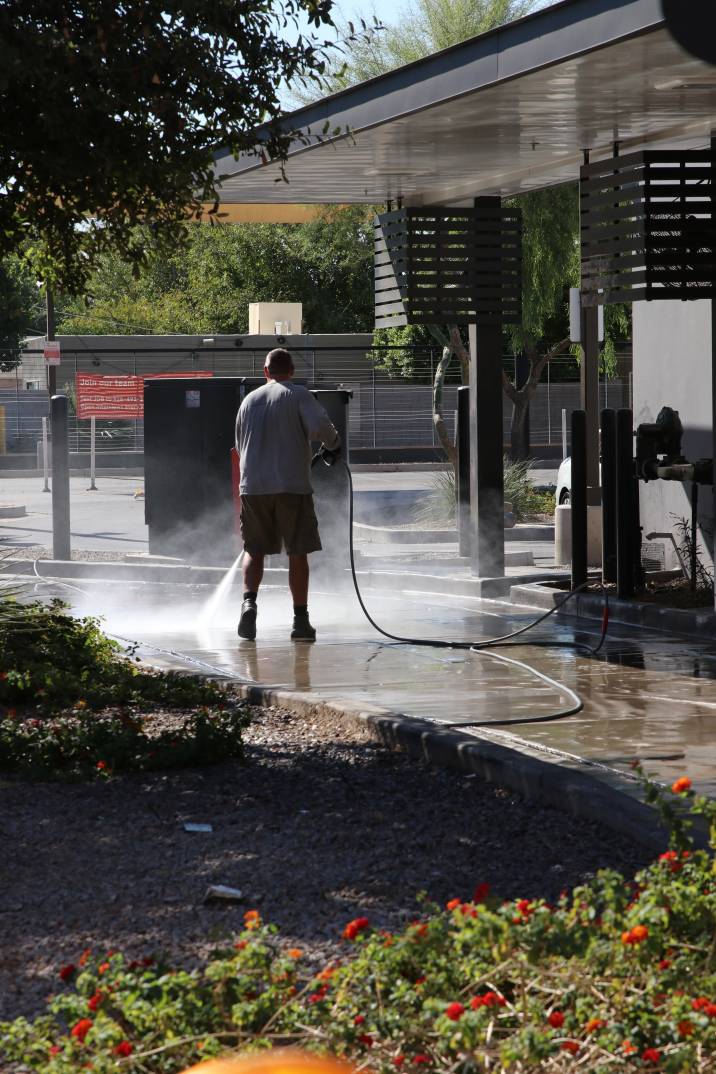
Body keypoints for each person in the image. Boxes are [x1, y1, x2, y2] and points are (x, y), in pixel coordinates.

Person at [234, 348, 340, 642]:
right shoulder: (298, 395)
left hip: (253, 487)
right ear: (292, 371)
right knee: (297, 552)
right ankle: (301, 621)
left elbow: (240, 444)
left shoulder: (248, 401)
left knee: (253, 550)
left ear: (265, 371)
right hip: (292, 486)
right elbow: (321, 427)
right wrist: (334, 443)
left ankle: (249, 604)